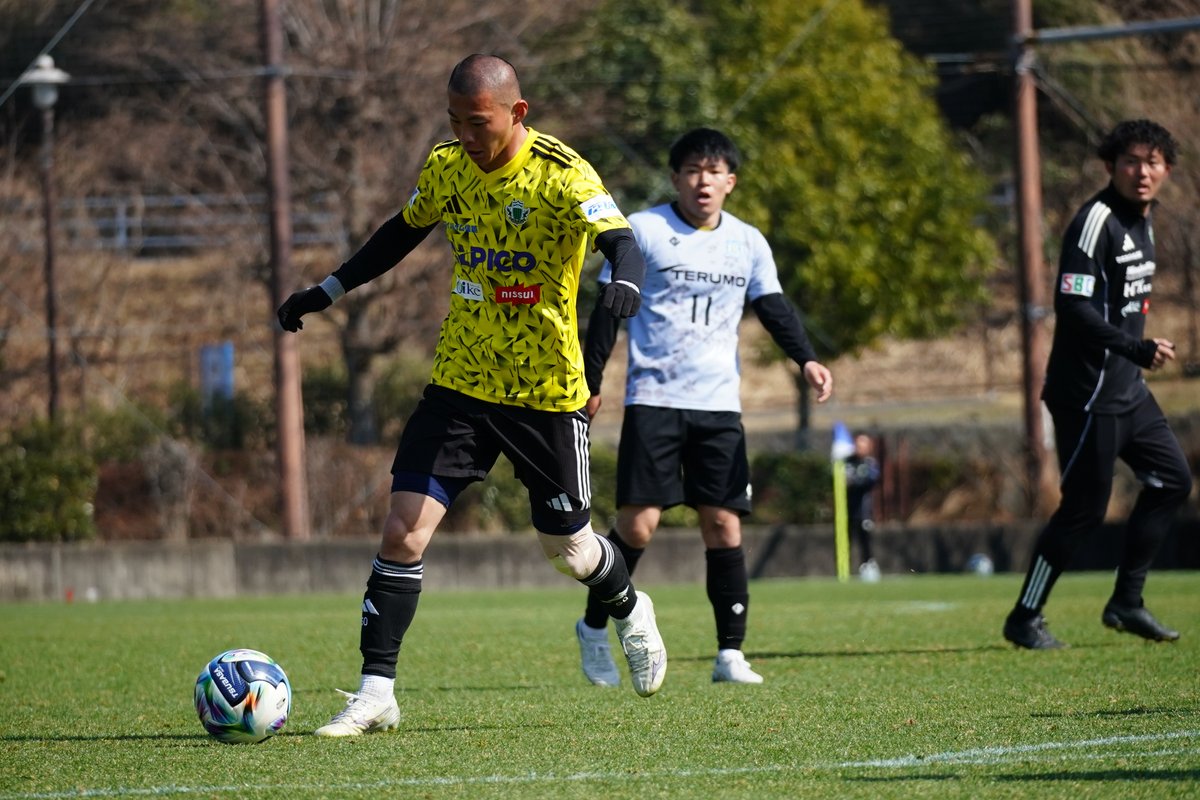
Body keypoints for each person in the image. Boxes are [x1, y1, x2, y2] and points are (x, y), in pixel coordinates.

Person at [277, 54, 667, 735]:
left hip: (545, 394)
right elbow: (402, 231)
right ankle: (377, 692)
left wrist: (624, 282)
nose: (464, 134)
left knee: (570, 552)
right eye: (454, 120)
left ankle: (631, 606)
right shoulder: (447, 165)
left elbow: (621, 241)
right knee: (402, 531)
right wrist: (328, 289)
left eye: (477, 122)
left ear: (517, 112)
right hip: (460, 382)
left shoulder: (562, 171)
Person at [575, 127, 833, 686]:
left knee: (723, 525)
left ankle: (729, 654)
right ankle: (595, 626)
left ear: (730, 182)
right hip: (655, 400)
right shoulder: (641, 231)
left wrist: (806, 359)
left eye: (714, 172)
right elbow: (607, 312)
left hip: (718, 406)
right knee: (637, 526)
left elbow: (774, 307)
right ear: (676, 178)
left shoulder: (748, 242)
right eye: (693, 170)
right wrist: (591, 379)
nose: (703, 182)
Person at [1003, 119, 1193, 650]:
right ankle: (1024, 616)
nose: (1143, 172)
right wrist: (1134, 347)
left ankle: (1126, 602)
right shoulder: (1096, 220)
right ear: (1111, 166)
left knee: (1172, 480)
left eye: (1153, 162)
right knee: (1083, 509)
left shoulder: (1145, 221)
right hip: (1085, 394)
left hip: (1128, 390)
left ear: (1167, 171)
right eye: (1132, 161)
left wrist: (1135, 354)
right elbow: (1074, 307)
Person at [845, 432, 881, 582]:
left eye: (863, 445)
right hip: (847, 510)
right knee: (845, 540)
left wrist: (853, 481)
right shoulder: (847, 462)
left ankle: (868, 566)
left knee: (865, 540)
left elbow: (871, 480)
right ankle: (844, 569)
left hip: (864, 510)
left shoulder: (870, 463)